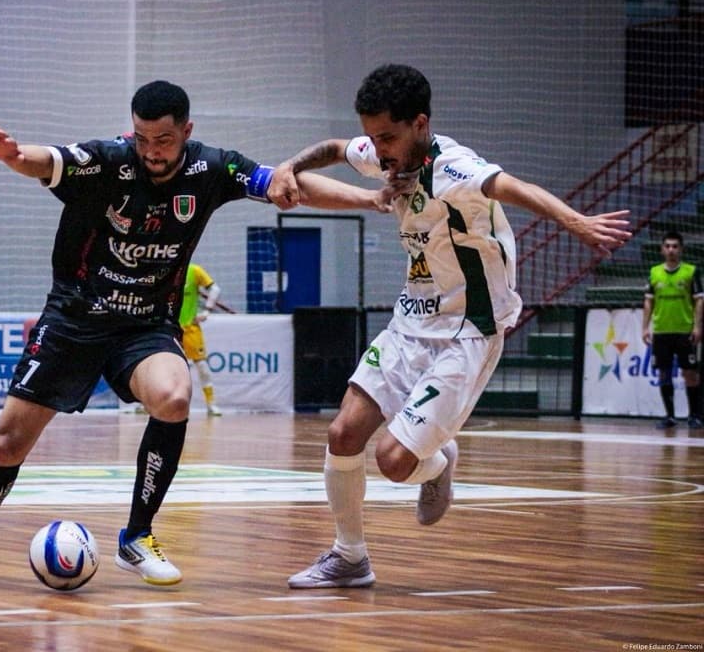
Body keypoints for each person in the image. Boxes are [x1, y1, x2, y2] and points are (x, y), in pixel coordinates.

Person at [0, 80, 393, 586]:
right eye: (142, 139)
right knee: (10, 444)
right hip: (75, 318)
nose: (151, 151)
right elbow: (47, 159)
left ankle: (136, 538)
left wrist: (371, 199)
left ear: (186, 131)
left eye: (163, 140)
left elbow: (287, 181)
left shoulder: (211, 168)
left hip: (145, 325)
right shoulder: (106, 160)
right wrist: (15, 157)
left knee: (173, 396)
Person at [267, 63, 632, 589]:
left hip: (469, 328)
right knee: (343, 433)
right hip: (410, 318)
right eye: (372, 137)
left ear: (420, 123)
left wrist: (575, 222)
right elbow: (331, 148)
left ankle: (436, 465)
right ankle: (350, 557)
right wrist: (289, 165)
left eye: (387, 137)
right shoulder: (383, 151)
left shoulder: (456, 168)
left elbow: (515, 187)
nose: (378, 149)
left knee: (394, 462)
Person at [642, 230, 703, 429]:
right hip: (661, 331)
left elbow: (699, 300)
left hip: (684, 330)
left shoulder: (691, 272)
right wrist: (645, 327)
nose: (671, 250)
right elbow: (648, 302)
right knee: (663, 373)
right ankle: (670, 416)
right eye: (667, 246)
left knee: (690, 373)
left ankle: (694, 415)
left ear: (681, 249)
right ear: (661, 249)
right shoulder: (654, 272)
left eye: (675, 246)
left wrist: (697, 326)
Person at [180, 262, 223, 416]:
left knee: (202, 367)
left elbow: (215, 288)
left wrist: (207, 310)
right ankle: (146, 403)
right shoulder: (166, 270)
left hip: (190, 328)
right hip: (169, 328)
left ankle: (211, 404)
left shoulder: (194, 271)